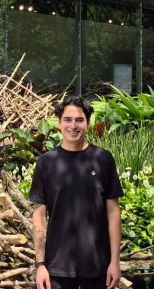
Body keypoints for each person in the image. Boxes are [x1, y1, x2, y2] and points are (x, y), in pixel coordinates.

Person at [29, 96, 124, 289]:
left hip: (98, 266)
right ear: (59, 122)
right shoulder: (46, 163)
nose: (74, 125)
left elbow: (113, 212)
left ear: (88, 123)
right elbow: (39, 215)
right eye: (68, 119)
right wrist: (40, 265)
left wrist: (115, 262)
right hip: (57, 268)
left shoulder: (103, 159)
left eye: (80, 120)